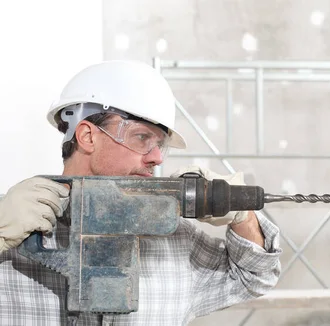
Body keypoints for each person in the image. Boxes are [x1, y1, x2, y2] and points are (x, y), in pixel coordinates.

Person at [0, 60, 282, 325]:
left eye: (161, 145)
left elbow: (254, 276)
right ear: (87, 136)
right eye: (142, 137)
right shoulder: (10, 223)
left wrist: (243, 217)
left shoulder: (176, 241)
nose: (158, 157)